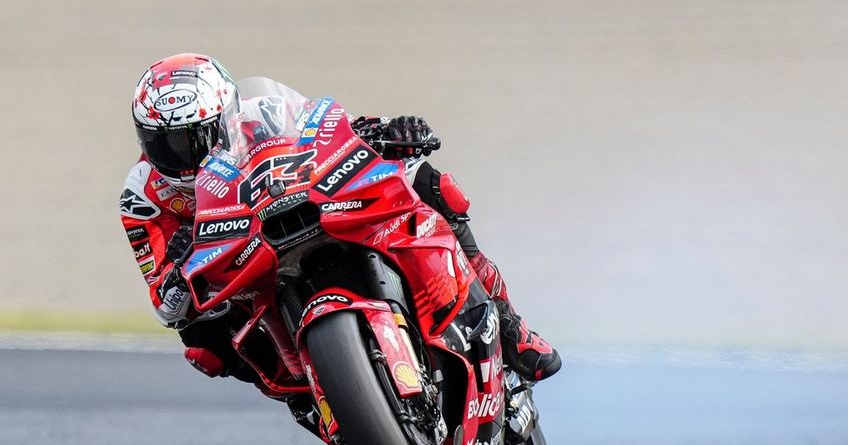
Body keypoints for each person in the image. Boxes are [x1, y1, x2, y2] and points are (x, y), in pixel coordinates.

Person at [120, 53, 561, 388]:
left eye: (197, 138)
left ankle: (509, 325)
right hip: (236, 270)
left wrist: (385, 130)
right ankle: (306, 395)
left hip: (300, 209)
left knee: (429, 185)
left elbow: (328, 130)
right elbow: (165, 305)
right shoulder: (142, 199)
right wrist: (177, 273)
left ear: (226, 115)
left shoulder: (262, 114)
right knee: (203, 346)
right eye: (169, 145)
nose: (185, 158)